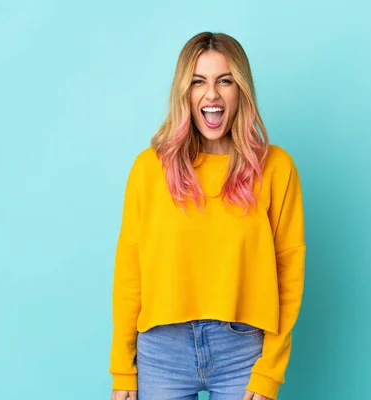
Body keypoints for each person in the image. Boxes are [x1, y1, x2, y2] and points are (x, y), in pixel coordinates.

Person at [109, 31, 306, 400]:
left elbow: (289, 276)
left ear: (240, 91)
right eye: (198, 81)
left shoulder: (276, 169)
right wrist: (123, 370)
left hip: (243, 353)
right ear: (185, 92)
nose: (211, 94)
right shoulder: (150, 169)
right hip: (160, 352)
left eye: (225, 81)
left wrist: (270, 372)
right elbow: (129, 274)